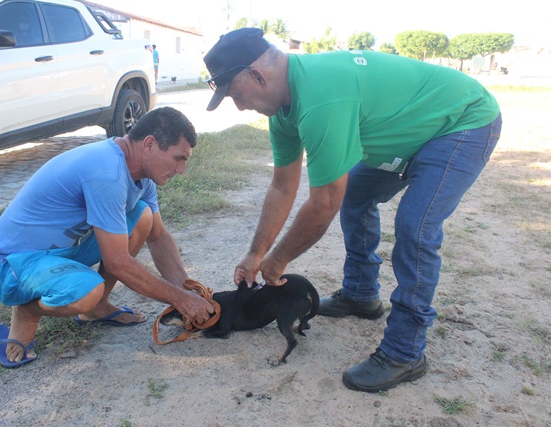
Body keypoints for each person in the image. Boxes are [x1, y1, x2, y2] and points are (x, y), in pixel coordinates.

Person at [203, 28, 502, 392]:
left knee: (416, 225)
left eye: (236, 95)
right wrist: (255, 254)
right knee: (357, 193)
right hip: (410, 131)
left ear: (258, 76)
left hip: (461, 121)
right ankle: (361, 295)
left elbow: (324, 203)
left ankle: (405, 352)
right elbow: (282, 186)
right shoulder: (283, 110)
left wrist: (277, 260)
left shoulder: (320, 98)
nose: (239, 105)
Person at [0, 107, 215, 366]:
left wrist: (188, 290)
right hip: (11, 263)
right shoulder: (107, 173)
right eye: (178, 158)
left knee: (142, 217)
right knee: (86, 291)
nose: (181, 169)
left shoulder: (141, 176)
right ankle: (27, 312)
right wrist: (179, 299)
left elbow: (158, 237)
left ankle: (98, 308)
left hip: (60, 251)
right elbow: (118, 263)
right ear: (149, 144)